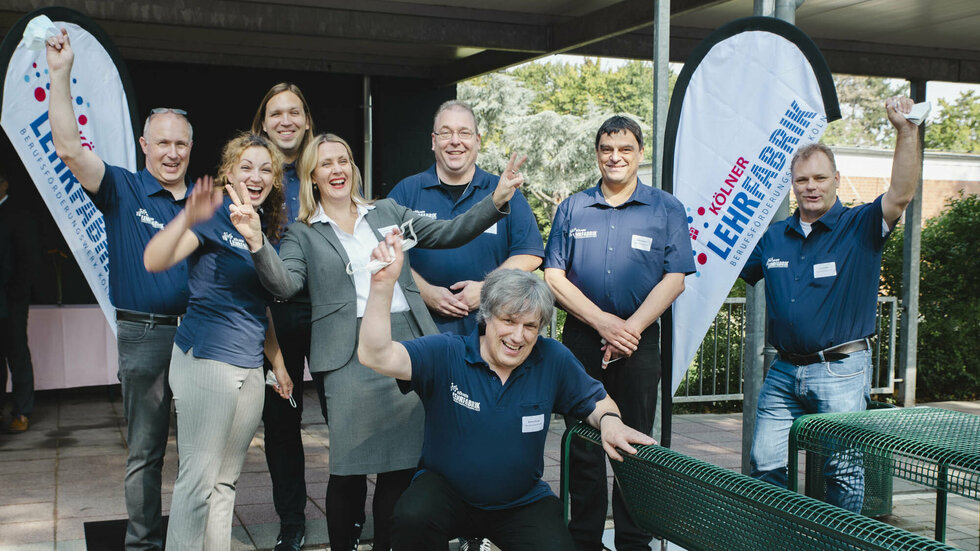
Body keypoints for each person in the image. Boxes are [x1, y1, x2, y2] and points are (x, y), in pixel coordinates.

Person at [238, 133, 526, 550]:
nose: (336, 170)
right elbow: (284, 283)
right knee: (348, 467)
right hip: (347, 354)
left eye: (343, 161)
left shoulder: (387, 211)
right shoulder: (303, 233)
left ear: (353, 168)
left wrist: (496, 198)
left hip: (408, 344)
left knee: (402, 466)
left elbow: (449, 232)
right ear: (313, 176)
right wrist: (256, 241)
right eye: (325, 164)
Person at [358, 238, 656, 550]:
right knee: (411, 518)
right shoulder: (446, 351)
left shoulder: (552, 357)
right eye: (509, 321)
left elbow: (597, 401)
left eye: (530, 326)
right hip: (446, 492)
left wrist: (610, 421)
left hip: (520, 500)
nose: (517, 336)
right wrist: (382, 285)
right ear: (486, 316)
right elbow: (375, 356)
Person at [741, 96, 920, 513]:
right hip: (784, 370)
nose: (811, 187)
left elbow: (902, 193)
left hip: (840, 370)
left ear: (836, 179)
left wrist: (906, 130)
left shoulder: (860, 226)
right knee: (764, 461)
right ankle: (782, 540)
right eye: (802, 180)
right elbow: (716, 268)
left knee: (843, 469)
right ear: (792, 183)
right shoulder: (774, 237)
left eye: (820, 178)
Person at [47, 29, 191, 550]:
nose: (171, 153)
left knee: (203, 452)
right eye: (163, 143)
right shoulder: (122, 188)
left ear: (190, 148)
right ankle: (143, 544)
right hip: (144, 339)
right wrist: (60, 75)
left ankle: (196, 536)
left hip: (200, 339)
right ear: (144, 146)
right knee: (145, 452)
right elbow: (67, 147)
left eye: (180, 143)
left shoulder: (207, 201)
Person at [543, 115, 695, 551]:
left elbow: (676, 277)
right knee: (583, 446)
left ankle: (633, 542)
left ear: (640, 153)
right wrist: (603, 323)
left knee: (635, 444)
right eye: (607, 149)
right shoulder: (573, 207)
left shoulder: (666, 208)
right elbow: (553, 275)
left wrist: (629, 328)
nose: (615, 157)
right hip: (581, 342)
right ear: (597, 153)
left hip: (639, 343)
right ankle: (585, 540)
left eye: (625, 149)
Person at [143, 132, 293, 550]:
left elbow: (261, 303)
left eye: (266, 169)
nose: (256, 176)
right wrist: (187, 217)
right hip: (206, 361)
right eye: (246, 166)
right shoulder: (212, 215)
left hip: (250, 366)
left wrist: (277, 362)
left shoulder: (265, 229)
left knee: (225, 483)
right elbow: (154, 260)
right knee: (198, 481)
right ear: (228, 173)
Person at [388, 100, 543, 337]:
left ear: (478, 140)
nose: (455, 141)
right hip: (420, 333)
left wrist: (486, 289)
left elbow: (529, 254)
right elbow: (387, 255)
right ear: (433, 141)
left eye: (464, 133)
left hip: (489, 334)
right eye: (446, 133)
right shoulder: (406, 192)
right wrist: (424, 292)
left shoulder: (503, 190)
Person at [251, 82, 316, 551]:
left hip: (328, 307)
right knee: (282, 422)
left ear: (307, 121)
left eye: (295, 112)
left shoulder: (324, 168)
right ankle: (292, 521)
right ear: (263, 123)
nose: (286, 120)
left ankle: (351, 509)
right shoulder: (251, 175)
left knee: (348, 411)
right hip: (276, 315)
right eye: (277, 113)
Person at [0, 174, 40, 433]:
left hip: (12, 299)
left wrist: (16, 294)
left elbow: (28, 259)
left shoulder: (18, 213)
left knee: (16, 352)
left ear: (4, 184)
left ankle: (22, 411)